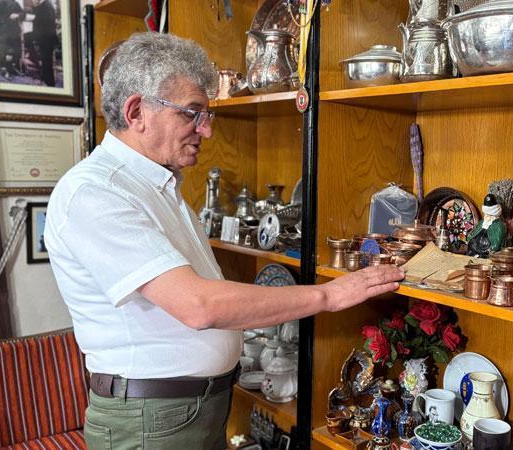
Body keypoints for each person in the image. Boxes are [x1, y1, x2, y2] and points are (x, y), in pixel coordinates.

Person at [44, 32, 404, 450]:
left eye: (207, 114)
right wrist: (329, 295)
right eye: (192, 113)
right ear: (137, 111)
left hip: (191, 409)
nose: (207, 131)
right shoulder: (96, 192)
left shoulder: (157, 185)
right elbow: (199, 306)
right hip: (151, 420)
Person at [466, 193, 506, 258]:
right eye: (486, 214)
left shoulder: (499, 225)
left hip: (487, 249)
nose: (487, 216)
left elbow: (497, 242)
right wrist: (470, 236)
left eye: (489, 215)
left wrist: (492, 248)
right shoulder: (483, 221)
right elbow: (476, 231)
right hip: (477, 246)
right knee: (471, 244)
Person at [0, 0, 24, 78]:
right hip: (3, 31)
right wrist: (7, 18)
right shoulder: (0, 2)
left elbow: (23, 14)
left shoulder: (15, 3)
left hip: (14, 31)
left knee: (17, 49)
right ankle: (3, 68)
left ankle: (14, 67)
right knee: (3, 50)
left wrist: (18, 15)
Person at [31, 0, 58, 86]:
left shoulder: (45, 6)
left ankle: (49, 82)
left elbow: (42, 22)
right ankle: (46, 77)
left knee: (47, 60)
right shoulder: (45, 5)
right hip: (46, 37)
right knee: (45, 59)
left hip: (46, 38)